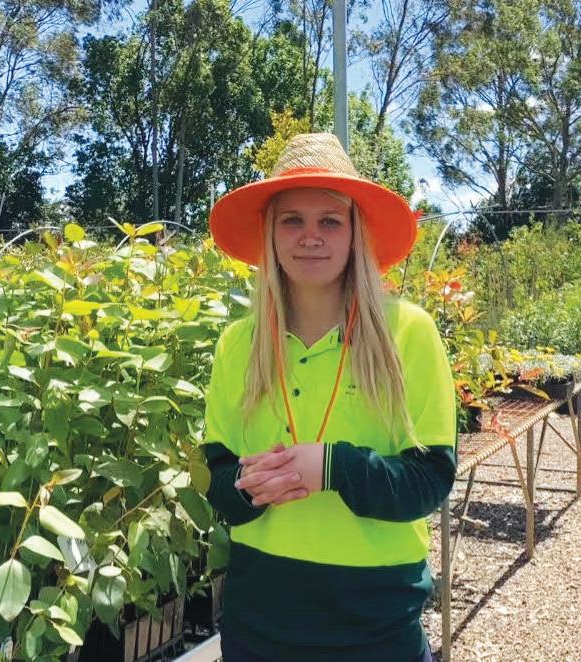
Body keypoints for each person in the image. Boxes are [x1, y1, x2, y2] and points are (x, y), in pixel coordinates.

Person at [201, 132, 456, 661]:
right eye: (292, 220)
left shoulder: (408, 333)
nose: (310, 236)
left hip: (377, 626)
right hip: (259, 622)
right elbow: (216, 479)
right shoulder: (238, 344)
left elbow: (429, 482)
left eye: (330, 221)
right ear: (270, 234)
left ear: (355, 232)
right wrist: (248, 488)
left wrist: (334, 468)